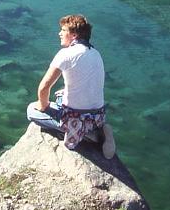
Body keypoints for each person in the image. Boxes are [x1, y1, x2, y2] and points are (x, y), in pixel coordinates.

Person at [27, 14, 115, 158]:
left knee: (31, 110)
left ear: (73, 35)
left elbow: (44, 87)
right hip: (97, 115)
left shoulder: (66, 54)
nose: (59, 33)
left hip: (76, 119)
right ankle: (98, 128)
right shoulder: (96, 53)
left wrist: (43, 106)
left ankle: (89, 135)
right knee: (60, 94)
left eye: (63, 30)